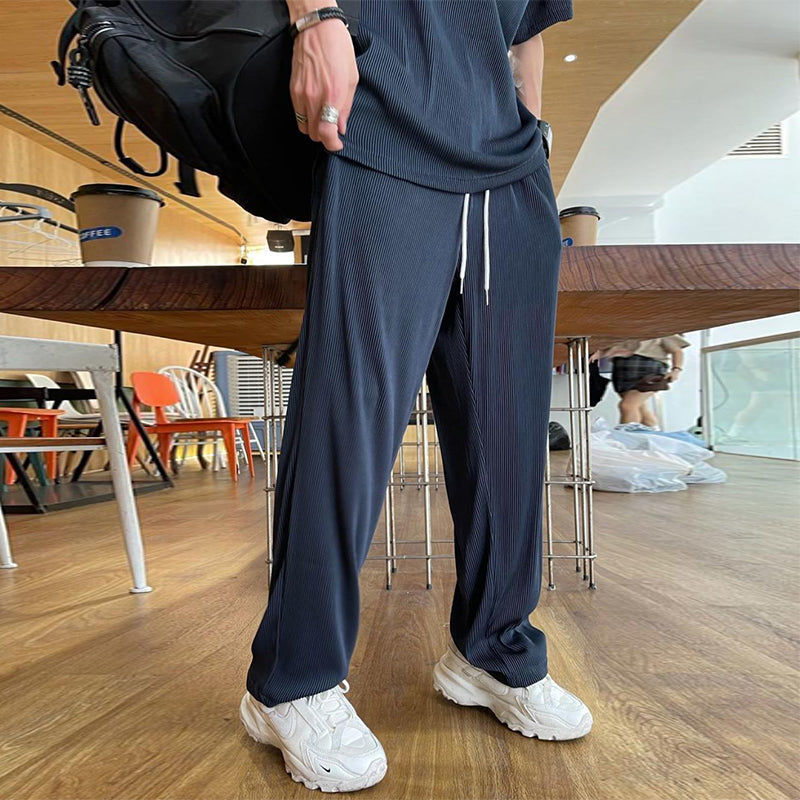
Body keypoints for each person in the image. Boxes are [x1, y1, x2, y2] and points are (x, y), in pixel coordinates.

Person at [239, 1, 592, 792]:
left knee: (507, 427)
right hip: (383, 121)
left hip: (510, 170)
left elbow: (526, 33)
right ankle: (291, 679)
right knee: (352, 417)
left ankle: (494, 651)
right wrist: (315, 18)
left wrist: (531, 144)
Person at [591, 336, 691, 427]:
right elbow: (608, 349)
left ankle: (628, 437)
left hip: (648, 372)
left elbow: (677, 351)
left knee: (627, 406)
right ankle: (653, 434)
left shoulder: (659, 330)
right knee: (639, 408)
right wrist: (599, 354)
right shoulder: (620, 331)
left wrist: (676, 370)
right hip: (622, 372)